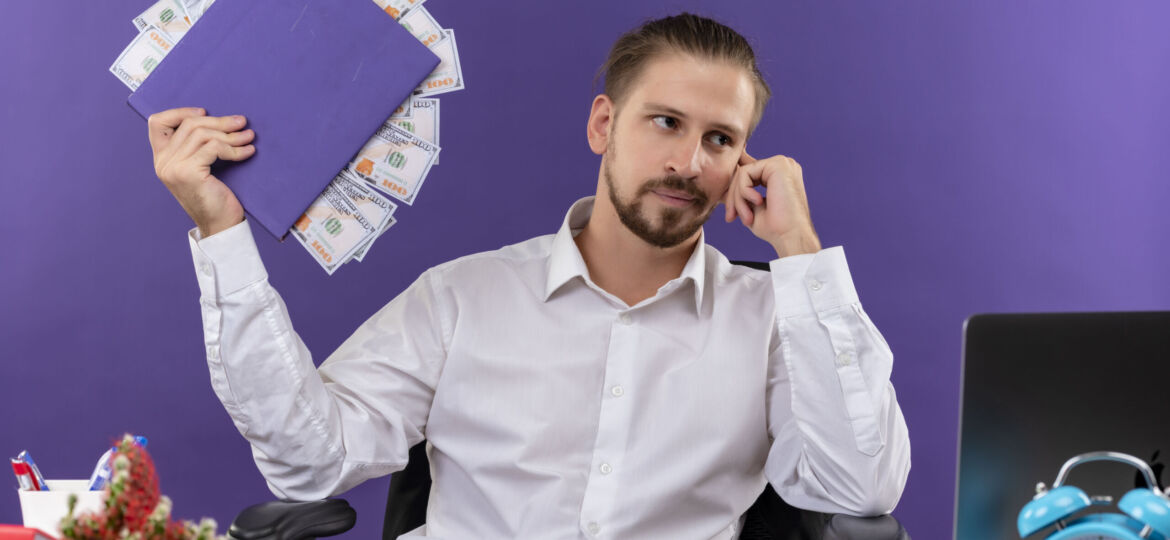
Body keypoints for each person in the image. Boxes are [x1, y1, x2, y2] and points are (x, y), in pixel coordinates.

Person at [148, 13, 910, 539]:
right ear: (603, 125)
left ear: (744, 160)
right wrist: (222, 230)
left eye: (721, 138)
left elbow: (860, 492)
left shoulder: (773, 319)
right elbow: (310, 459)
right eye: (665, 122)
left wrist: (802, 254)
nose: (688, 162)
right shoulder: (461, 298)